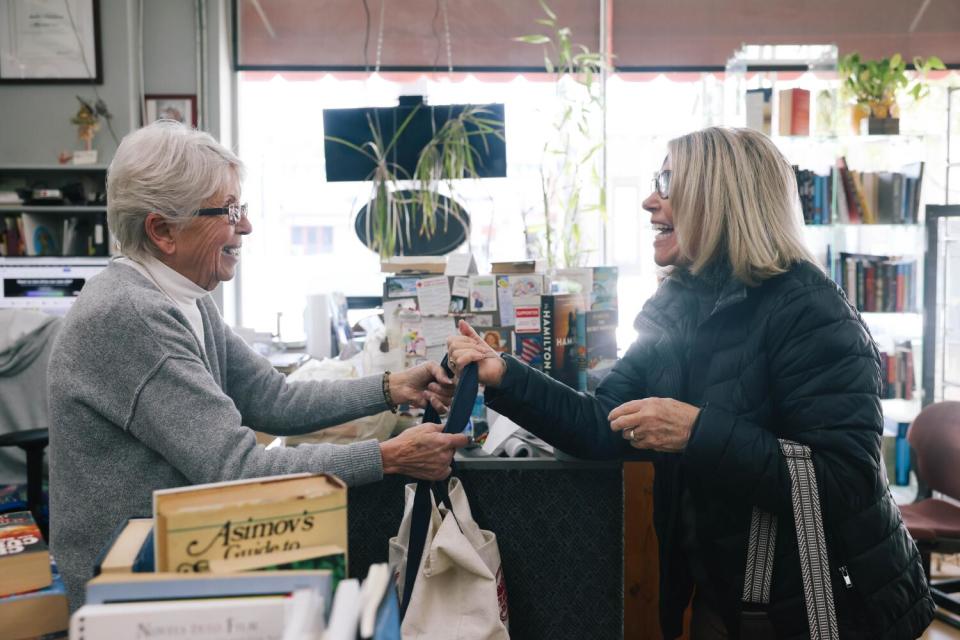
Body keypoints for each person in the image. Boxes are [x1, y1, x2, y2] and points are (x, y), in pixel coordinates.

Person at [448, 127, 934, 639]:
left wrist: (696, 432)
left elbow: (844, 481)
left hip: (821, 608)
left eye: (667, 182)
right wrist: (503, 373)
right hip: (727, 598)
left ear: (720, 196)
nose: (648, 201)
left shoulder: (810, 310)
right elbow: (600, 425)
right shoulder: (676, 303)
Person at [48, 120, 468, 609]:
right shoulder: (132, 314)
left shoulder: (180, 294)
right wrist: (388, 456)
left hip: (176, 551)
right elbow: (237, 468)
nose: (245, 225)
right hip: (131, 583)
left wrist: (393, 386)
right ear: (163, 230)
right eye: (229, 211)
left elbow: (273, 399)